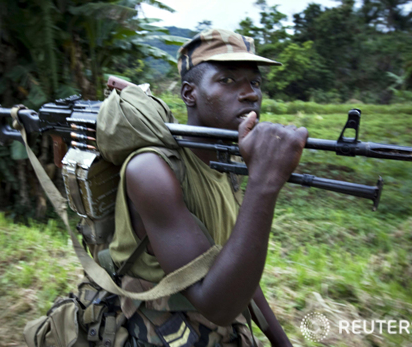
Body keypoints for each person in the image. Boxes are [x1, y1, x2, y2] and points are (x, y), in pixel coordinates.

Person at [108, 29, 308, 347]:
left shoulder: (224, 165)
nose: (249, 93)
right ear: (190, 94)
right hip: (156, 332)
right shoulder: (152, 170)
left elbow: (232, 262)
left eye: (255, 83)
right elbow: (217, 306)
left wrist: (281, 341)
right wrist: (264, 184)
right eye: (228, 80)